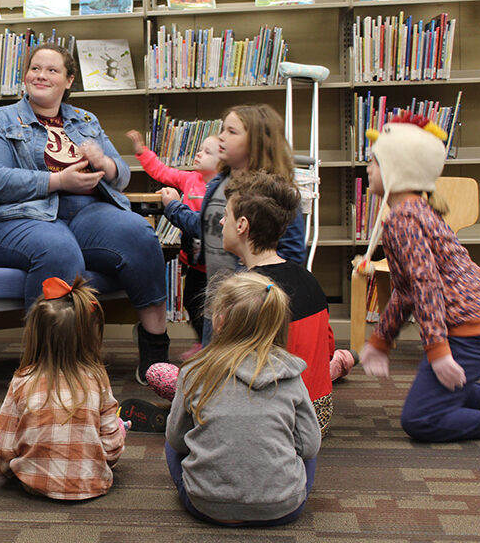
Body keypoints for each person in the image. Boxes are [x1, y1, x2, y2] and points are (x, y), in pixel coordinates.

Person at [0, 43, 169, 383]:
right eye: (35, 68)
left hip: (85, 211)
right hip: (18, 217)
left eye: (52, 70)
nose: (41, 75)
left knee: (140, 234)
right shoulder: (2, 120)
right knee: (58, 248)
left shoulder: (85, 120)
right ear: (24, 77)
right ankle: (47, 365)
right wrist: (56, 181)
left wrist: (104, 162)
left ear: (69, 80)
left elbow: (121, 176)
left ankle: (155, 347)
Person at [357, 116, 480, 442]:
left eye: (375, 161)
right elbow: (406, 290)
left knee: (422, 419)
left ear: (397, 170)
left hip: (468, 331)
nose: (368, 168)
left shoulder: (404, 220)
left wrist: (438, 351)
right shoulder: (413, 211)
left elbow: (426, 285)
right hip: (476, 325)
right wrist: (381, 341)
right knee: (444, 395)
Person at [165, 271, 321, 526]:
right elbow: (310, 446)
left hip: (205, 506)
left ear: (220, 320)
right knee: (310, 443)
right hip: (282, 508)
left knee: (172, 439)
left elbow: (177, 440)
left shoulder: (194, 371)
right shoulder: (291, 374)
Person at [161, 104, 306, 345]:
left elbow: (292, 254)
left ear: (257, 142)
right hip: (216, 302)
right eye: (222, 129)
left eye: (232, 131)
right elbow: (208, 230)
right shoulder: (218, 183)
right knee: (216, 371)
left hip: (251, 311)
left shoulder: (275, 193)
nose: (221, 137)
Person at [222, 171, 354, 434]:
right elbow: (325, 349)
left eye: (226, 215)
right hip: (317, 416)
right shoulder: (308, 278)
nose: (221, 221)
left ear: (242, 225)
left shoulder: (245, 292)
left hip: (276, 422)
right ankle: (346, 361)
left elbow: (233, 369)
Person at [0, 276, 125, 500]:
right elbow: (111, 451)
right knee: (115, 426)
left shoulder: (22, 381)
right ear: (88, 337)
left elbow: (4, 450)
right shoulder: (97, 379)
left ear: (35, 335)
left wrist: (11, 470)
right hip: (93, 483)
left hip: (32, 484)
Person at [128, 130, 219, 360]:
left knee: (216, 309)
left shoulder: (222, 190)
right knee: (191, 301)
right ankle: (202, 342)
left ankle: (214, 347)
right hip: (194, 264)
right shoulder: (189, 179)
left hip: (218, 266)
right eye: (199, 149)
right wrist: (142, 153)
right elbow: (162, 172)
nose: (198, 154)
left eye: (207, 152)